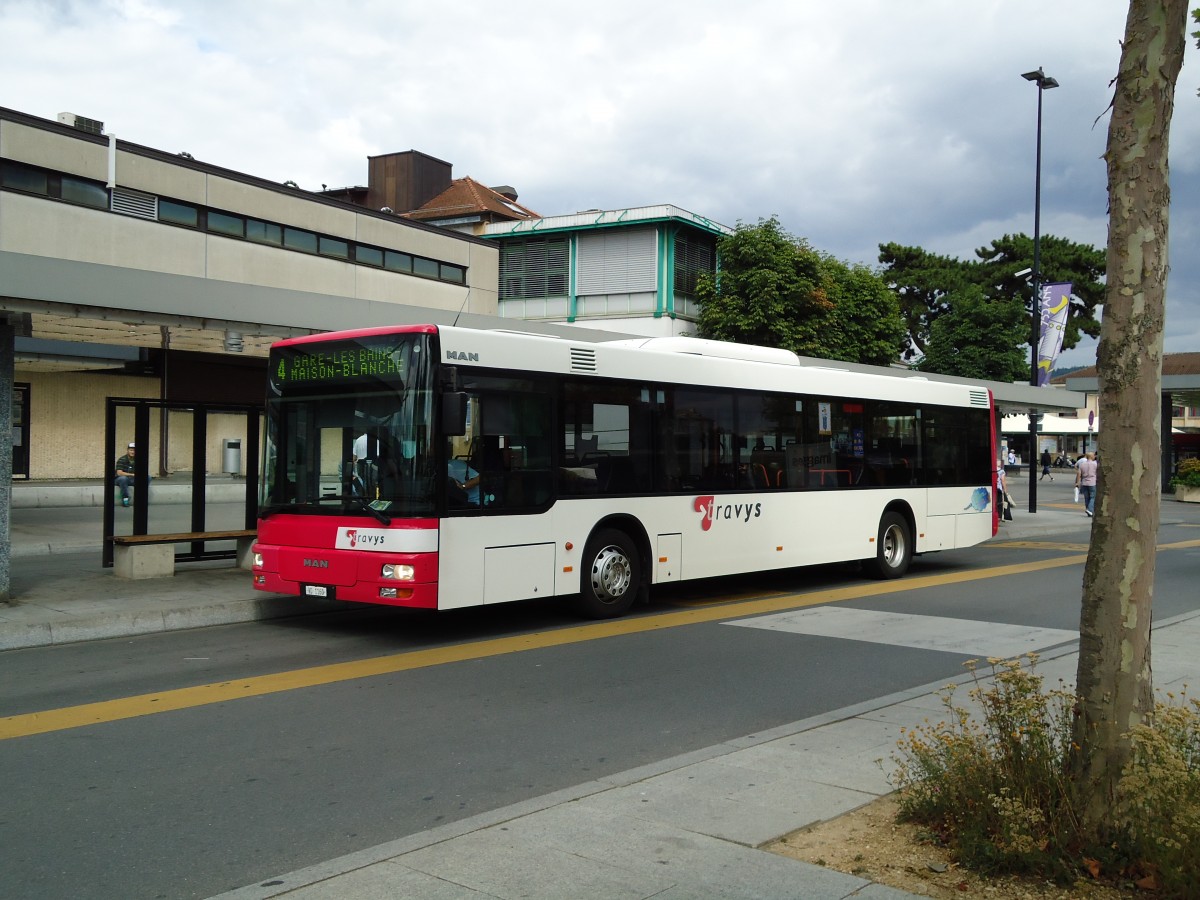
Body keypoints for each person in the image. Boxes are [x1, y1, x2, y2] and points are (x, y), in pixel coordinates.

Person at [114, 441, 140, 507]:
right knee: (123, 479)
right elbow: (119, 473)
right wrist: (132, 475)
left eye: (134, 450)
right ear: (128, 450)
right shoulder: (122, 459)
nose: (133, 452)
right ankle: (125, 499)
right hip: (120, 479)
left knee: (148, 477)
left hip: (133, 479)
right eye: (131, 450)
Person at [1075, 450, 1098, 517]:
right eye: (1093, 455)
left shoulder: (1082, 464)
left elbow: (1079, 474)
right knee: (1093, 497)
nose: (1094, 456)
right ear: (1091, 457)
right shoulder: (1095, 464)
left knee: (1086, 497)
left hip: (1084, 482)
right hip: (1092, 482)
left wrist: (1078, 482)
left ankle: (1088, 511)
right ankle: (1090, 509)